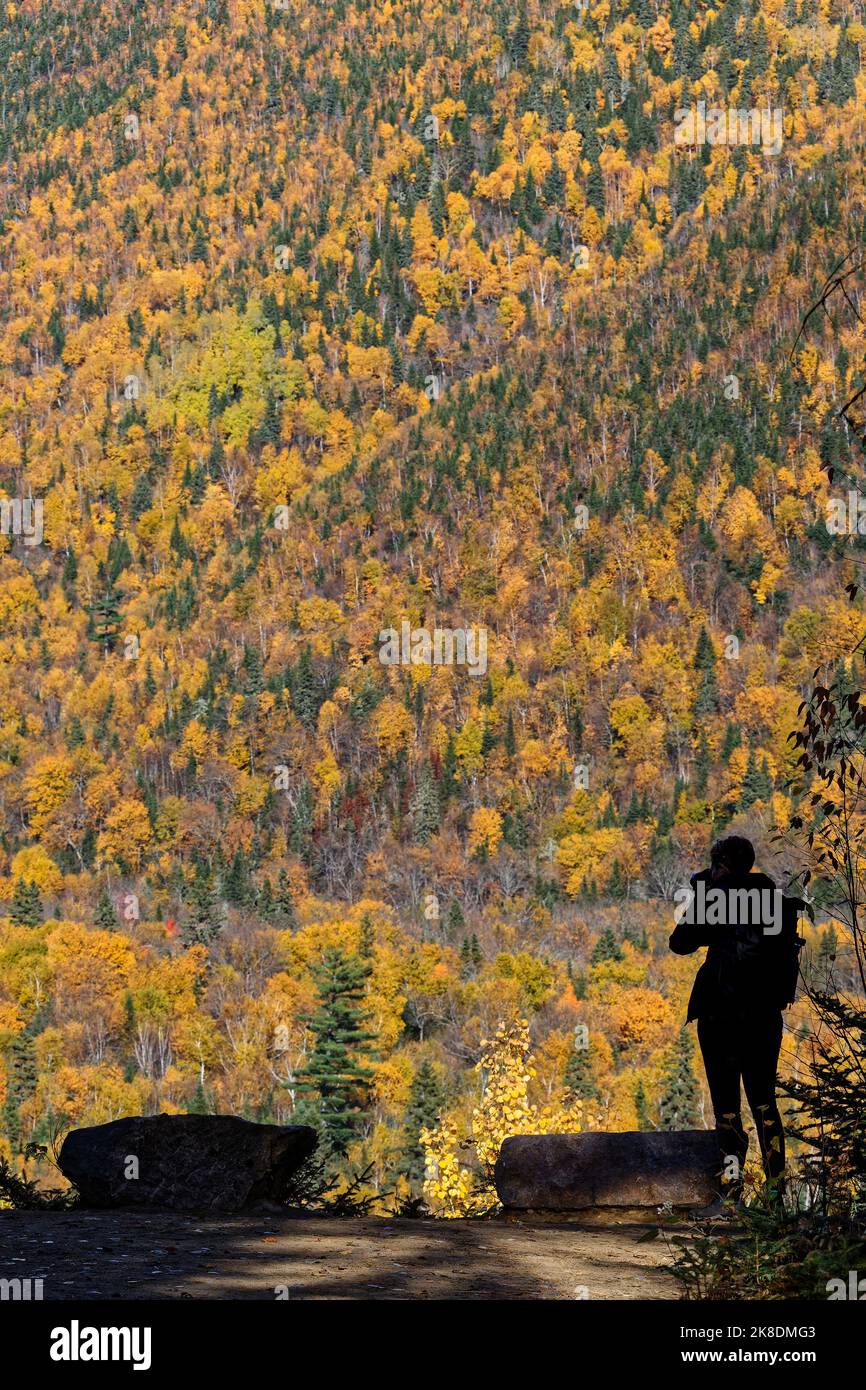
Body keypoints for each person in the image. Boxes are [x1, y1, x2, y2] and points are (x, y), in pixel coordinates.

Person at [669, 835, 804, 1210]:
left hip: (721, 1018)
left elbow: (679, 943)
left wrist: (706, 894)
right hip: (763, 1018)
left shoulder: (715, 900)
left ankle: (730, 1195)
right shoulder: (773, 900)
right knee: (765, 1106)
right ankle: (776, 1198)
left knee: (727, 1109)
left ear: (722, 866)